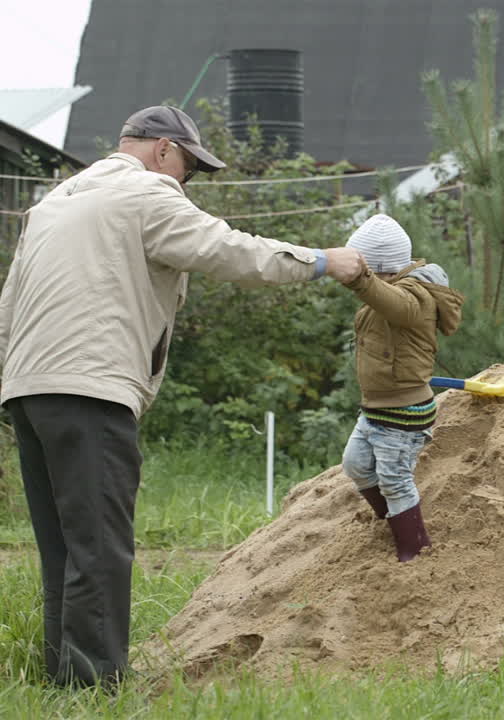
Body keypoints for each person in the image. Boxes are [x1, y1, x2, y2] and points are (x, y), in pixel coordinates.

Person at [0, 105, 365, 688]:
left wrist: (12, 382)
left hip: (27, 390)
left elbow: (8, 309)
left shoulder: (51, 204)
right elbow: (229, 250)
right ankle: (96, 689)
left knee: (63, 549)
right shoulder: (147, 192)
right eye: (189, 170)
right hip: (92, 389)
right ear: (165, 150)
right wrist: (323, 261)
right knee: (99, 546)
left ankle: (63, 682)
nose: (185, 182)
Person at [339, 213, 462, 563]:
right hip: (376, 408)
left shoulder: (415, 296)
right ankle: (391, 520)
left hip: (404, 410)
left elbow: (398, 306)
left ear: (381, 269)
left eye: (368, 271)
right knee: (356, 465)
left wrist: (360, 279)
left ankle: (414, 548)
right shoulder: (388, 291)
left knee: (395, 478)